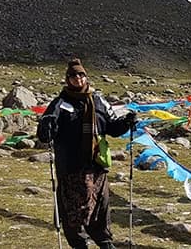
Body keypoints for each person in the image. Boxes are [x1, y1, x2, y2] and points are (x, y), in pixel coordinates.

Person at [37, 58, 136, 249]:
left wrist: (126, 122)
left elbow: (112, 127)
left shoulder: (98, 101)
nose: (78, 78)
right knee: (74, 212)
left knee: (100, 206)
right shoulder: (60, 103)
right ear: (68, 79)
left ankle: (105, 242)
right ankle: (79, 244)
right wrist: (46, 126)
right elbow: (44, 133)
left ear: (86, 77)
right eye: (73, 75)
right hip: (72, 168)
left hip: (96, 166)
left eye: (81, 74)